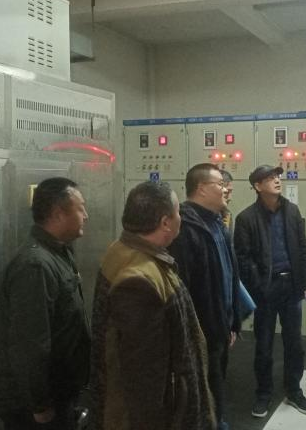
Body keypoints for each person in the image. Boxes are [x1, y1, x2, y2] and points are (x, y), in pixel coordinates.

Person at [90, 181, 216, 429]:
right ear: (165, 223)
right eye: (178, 212)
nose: (181, 218)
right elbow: (144, 379)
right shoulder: (139, 281)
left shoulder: (123, 249)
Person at [0, 177, 91, 430]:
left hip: (59, 391)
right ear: (58, 214)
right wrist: (40, 405)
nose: (86, 216)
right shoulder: (35, 266)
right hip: (34, 404)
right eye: (81, 209)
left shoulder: (59, 252)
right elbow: (31, 344)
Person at [233, 164, 306, 419]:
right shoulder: (246, 218)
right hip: (265, 290)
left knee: (295, 343)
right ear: (258, 186)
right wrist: (259, 286)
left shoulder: (292, 211)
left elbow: (303, 248)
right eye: (269, 178)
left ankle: (294, 390)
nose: (277, 180)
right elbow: (243, 258)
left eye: (277, 176)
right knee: (264, 345)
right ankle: (263, 393)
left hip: (292, 287)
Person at [168, 163, 241, 430]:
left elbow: (229, 275)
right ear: (201, 188)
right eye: (220, 184)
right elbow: (183, 289)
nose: (226, 189)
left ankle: (218, 421)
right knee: (203, 392)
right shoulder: (185, 228)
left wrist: (233, 322)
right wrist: (193, 334)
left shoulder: (217, 223)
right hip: (202, 331)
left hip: (221, 326)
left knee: (217, 386)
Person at [219, 169, 235, 234]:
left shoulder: (227, 214)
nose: (229, 198)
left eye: (231, 192)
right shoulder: (194, 217)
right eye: (226, 193)